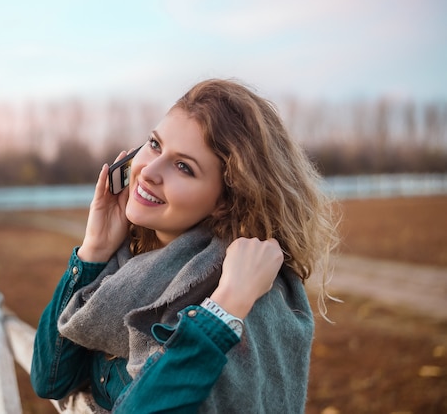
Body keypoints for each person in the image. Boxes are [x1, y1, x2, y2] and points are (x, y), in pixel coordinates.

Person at [30, 78, 339, 413]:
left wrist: (224, 308)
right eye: (154, 144)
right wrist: (94, 251)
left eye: (183, 167)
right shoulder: (130, 264)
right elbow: (50, 379)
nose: (149, 171)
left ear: (227, 200)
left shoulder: (244, 292)